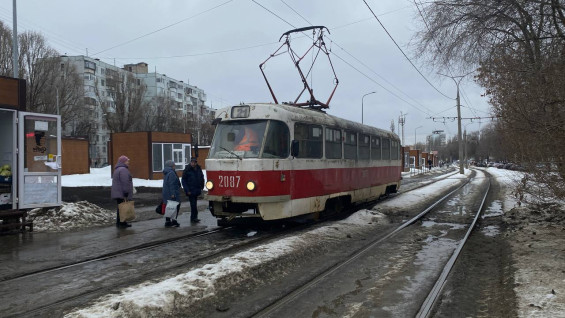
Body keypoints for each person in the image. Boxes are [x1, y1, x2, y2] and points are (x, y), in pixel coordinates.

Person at [111, 155, 133, 228]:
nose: (128, 162)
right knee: (123, 208)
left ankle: (120, 223)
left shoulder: (117, 169)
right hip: (122, 193)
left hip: (118, 192)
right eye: (127, 161)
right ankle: (122, 223)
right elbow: (125, 182)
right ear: (123, 162)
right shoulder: (123, 170)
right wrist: (126, 192)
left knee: (120, 208)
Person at [182, 157, 205, 223]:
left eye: (194, 162)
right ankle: (193, 218)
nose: (193, 163)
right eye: (192, 162)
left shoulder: (198, 169)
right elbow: (184, 180)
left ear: (196, 163)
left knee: (194, 204)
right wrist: (187, 190)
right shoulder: (187, 169)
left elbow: (201, 177)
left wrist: (202, 186)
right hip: (190, 190)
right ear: (190, 162)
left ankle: (195, 217)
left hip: (197, 189)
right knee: (193, 204)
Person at [162, 160, 181, 227]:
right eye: (174, 165)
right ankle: (173, 221)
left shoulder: (166, 172)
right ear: (171, 166)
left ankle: (168, 221)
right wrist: (173, 194)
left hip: (166, 193)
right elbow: (172, 184)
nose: (174, 166)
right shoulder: (172, 173)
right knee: (175, 206)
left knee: (169, 207)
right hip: (172, 193)